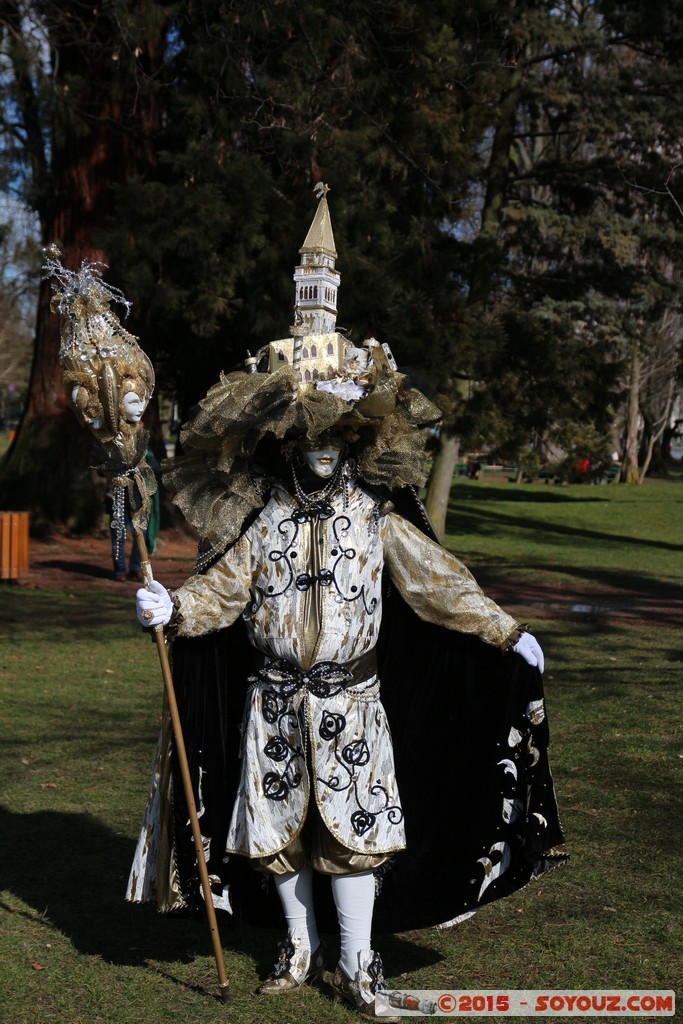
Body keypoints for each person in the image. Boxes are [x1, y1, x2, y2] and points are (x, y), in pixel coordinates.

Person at [128, 187, 565, 1020]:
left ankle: (358, 963)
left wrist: (507, 631)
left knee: (355, 836)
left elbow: (438, 584)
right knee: (277, 835)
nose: (320, 450)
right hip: (273, 700)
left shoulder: (376, 521)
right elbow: (221, 592)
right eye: (307, 437)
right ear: (288, 441)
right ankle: (297, 948)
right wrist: (171, 610)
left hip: (352, 703)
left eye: (335, 436)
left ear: (354, 439)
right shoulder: (262, 521)